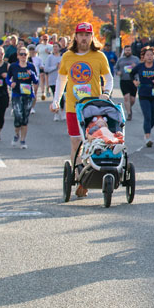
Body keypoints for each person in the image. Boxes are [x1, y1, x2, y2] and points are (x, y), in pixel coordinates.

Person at [50, 22, 113, 198]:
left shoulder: (99, 56)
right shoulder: (68, 56)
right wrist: (56, 101)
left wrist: (106, 93)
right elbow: (61, 79)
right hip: (73, 107)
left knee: (92, 141)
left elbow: (108, 79)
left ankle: (92, 173)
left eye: (87, 35)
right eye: (81, 34)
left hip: (93, 108)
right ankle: (79, 178)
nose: (84, 38)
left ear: (91, 37)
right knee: (76, 143)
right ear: (75, 37)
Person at [7, 46, 39, 149]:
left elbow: (36, 81)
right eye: (21, 54)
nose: (23, 56)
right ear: (18, 56)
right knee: (18, 117)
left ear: (28, 56)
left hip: (28, 95)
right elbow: (7, 78)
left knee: (25, 119)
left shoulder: (31, 66)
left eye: (25, 54)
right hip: (16, 94)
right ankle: (16, 134)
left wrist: (32, 74)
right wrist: (10, 83)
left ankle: (23, 140)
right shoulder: (13, 66)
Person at [132, 46, 154, 147]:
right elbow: (132, 74)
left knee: (153, 117)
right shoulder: (140, 67)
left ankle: (148, 130)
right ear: (143, 56)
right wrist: (135, 81)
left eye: (151, 55)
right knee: (147, 116)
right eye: (147, 55)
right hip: (143, 93)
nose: (149, 57)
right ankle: (147, 137)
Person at [115, 45, 140, 121]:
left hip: (133, 81)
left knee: (132, 99)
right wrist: (117, 72)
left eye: (129, 50)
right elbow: (115, 68)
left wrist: (135, 66)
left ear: (131, 51)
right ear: (124, 51)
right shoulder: (120, 60)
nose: (127, 52)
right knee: (126, 97)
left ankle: (129, 108)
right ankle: (129, 113)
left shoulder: (135, 59)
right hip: (124, 80)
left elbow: (140, 68)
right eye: (126, 50)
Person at [28, 45, 43, 113]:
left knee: (34, 93)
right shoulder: (26, 58)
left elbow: (42, 66)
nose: (31, 51)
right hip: (27, 77)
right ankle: (27, 106)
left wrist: (42, 68)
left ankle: (32, 107)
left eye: (32, 49)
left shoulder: (38, 59)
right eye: (30, 50)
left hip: (36, 77)